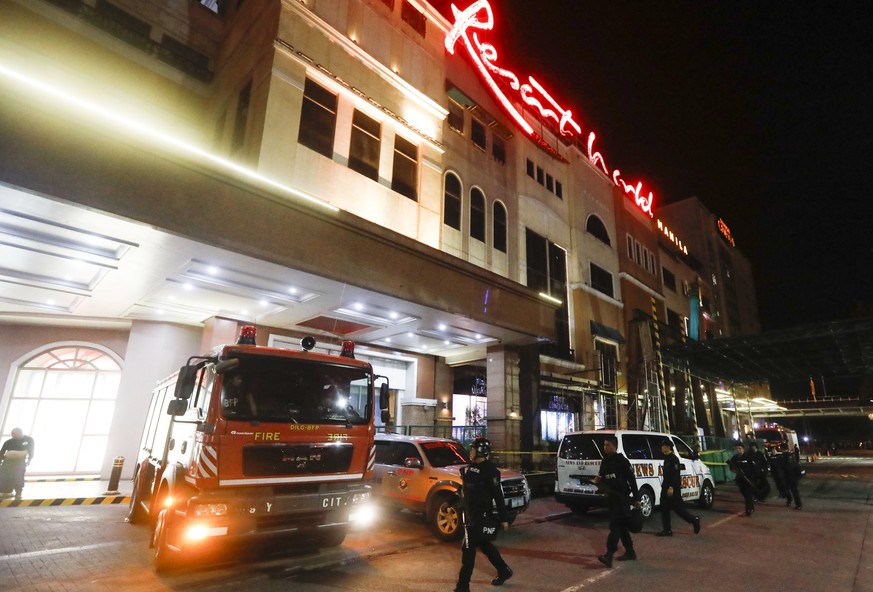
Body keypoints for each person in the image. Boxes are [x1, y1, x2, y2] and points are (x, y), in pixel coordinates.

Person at [454, 437, 512, 592]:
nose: (471, 452)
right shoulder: (470, 468)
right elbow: (466, 492)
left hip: (480, 517)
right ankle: (504, 570)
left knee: (468, 550)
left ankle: (463, 587)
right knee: (485, 546)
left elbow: (498, 495)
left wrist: (504, 518)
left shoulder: (490, 471)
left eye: (473, 449)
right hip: (470, 515)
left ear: (481, 451)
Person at [594, 435, 640, 567]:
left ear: (614, 446)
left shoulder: (621, 461)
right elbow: (603, 477)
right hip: (612, 498)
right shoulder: (605, 461)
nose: (605, 447)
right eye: (604, 445)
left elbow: (631, 479)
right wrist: (599, 481)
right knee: (621, 526)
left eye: (607, 445)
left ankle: (609, 554)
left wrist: (636, 498)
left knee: (615, 525)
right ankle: (630, 552)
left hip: (622, 497)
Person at [656, 439, 701, 536]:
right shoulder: (666, 458)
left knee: (678, 509)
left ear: (668, 447)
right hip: (665, 487)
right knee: (664, 508)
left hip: (673, 488)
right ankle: (667, 530)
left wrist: (671, 487)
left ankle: (694, 520)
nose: (662, 447)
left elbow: (675, 475)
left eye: (663, 446)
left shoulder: (673, 459)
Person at [0, 428, 35, 500]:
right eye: (12, 434)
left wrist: (29, 459)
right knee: (4, 477)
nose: (12, 435)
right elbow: (1, 452)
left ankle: (18, 492)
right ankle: (6, 492)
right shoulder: (8, 442)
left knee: (18, 477)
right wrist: (1, 460)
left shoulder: (29, 440)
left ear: (20, 433)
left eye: (14, 434)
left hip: (20, 462)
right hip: (7, 462)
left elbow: (31, 451)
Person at [728, 441, 758, 516]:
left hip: (749, 478)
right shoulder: (735, 458)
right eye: (737, 449)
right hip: (740, 479)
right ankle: (751, 507)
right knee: (745, 494)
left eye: (740, 448)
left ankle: (749, 509)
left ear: (743, 449)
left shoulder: (748, 457)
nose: (738, 450)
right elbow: (731, 468)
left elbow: (753, 467)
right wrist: (737, 471)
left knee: (748, 494)